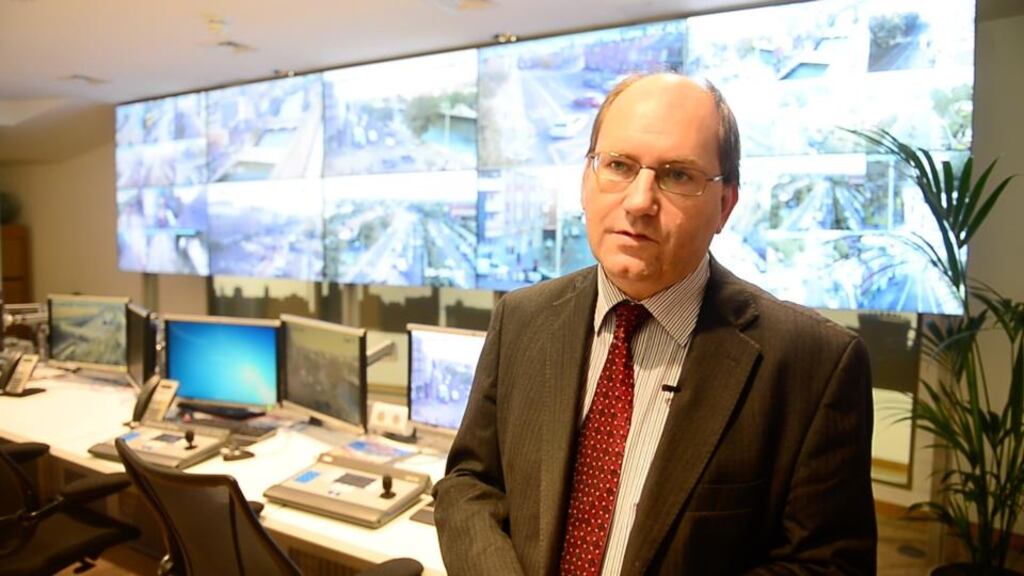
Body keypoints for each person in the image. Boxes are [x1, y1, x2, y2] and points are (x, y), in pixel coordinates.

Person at [433, 73, 877, 575]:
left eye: (678, 176)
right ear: (585, 182)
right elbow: (470, 482)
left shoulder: (814, 365)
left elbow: (826, 567)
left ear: (725, 206)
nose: (640, 201)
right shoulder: (521, 318)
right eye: (619, 166)